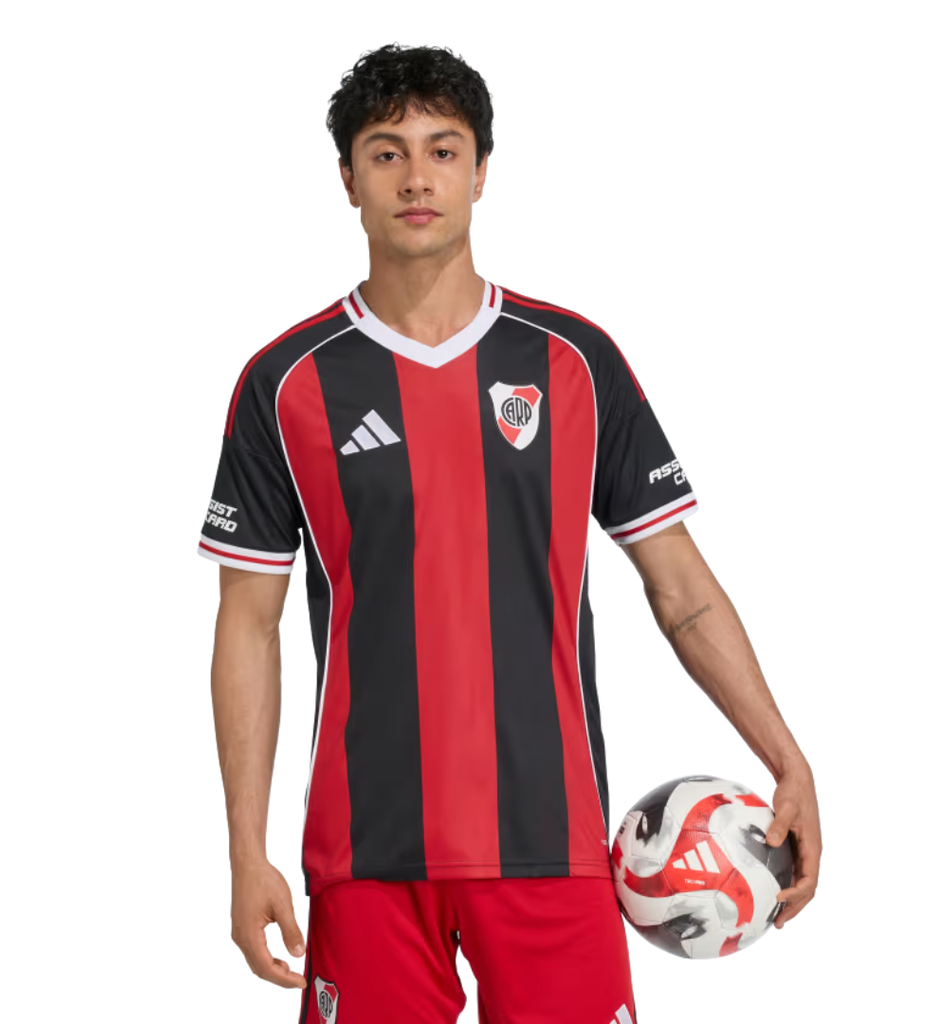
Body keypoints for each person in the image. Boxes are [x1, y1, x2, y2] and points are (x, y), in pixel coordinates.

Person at [197, 42, 821, 1024]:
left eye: (443, 150)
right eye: (387, 152)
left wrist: (785, 755)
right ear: (347, 179)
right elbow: (247, 623)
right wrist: (245, 851)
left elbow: (681, 589)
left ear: (481, 171)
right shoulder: (286, 383)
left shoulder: (574, 362)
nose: (416, 177)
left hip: (553, 845)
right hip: (366, 854)